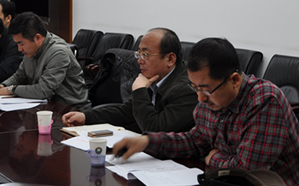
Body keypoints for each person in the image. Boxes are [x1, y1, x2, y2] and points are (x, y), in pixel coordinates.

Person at [113, 37, 299, 186]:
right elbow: (195, 141)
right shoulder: (211, 99)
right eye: (195, 87)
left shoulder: (265, 101)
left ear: (234, 80)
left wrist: (214, 159)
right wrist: (147, 142)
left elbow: (248, 171)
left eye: (205, 89)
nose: (200, 98)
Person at [62, 28, 197, 134]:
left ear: (170, 59)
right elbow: (125, 112)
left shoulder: (187, 89)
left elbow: (156, 130)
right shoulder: (154, 76)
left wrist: (140, 91)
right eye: (139, 54)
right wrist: (86, 117)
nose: (139, 61)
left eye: (146, 55)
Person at [0, 12, 91, 109]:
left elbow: (44, 90)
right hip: (45, 107)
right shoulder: (31, 49)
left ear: (38, 38)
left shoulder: (58, 53)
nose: (19, 49)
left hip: (71, 110)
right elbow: (19, 76)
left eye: (21, 44)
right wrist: (2, 86)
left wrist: (11, 89)